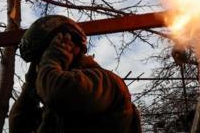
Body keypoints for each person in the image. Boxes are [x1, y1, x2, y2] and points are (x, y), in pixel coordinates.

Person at [9, 15, 141, 133]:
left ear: (68, 45)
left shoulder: (105, 82)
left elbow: (58, 93)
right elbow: (18, 126)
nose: (39, 67)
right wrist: (30, 89)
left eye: (42, 60)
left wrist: (53, 59)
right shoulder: (55, 112)